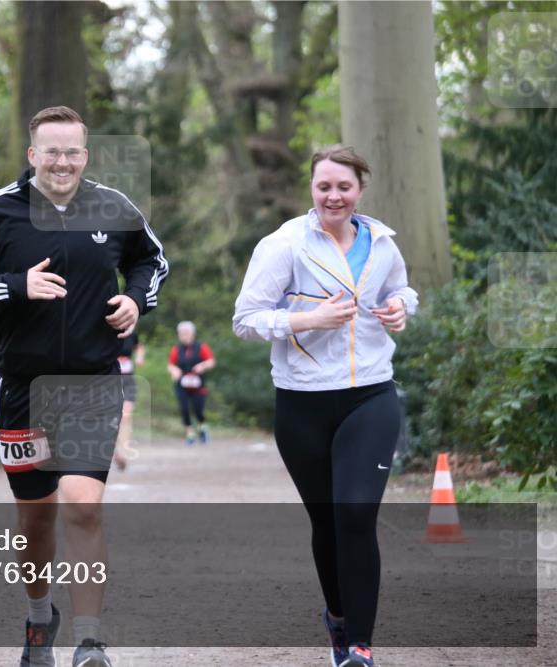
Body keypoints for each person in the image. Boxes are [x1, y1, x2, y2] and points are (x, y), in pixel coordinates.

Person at [0, 106, 168, 667]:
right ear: (32, 154)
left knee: (83, 505)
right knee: (35, 518)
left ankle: (90, 641)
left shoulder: (115, 207)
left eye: (72, 152)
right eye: (52, 151)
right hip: (22, 385)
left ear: (85, 156)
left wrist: (136, 300)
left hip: (92, 382)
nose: (62, 161)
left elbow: (153, 262)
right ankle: (41, 616)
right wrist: (18, 286)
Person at [232, 145, 417, 667]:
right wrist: (307, 321)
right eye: (323, 187)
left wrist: (402, 307)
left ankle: (359, 645)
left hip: (371, 396)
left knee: (355, 514)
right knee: (327, 521)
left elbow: (402, 288)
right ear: (311, 190)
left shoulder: (381, 243)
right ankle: (337, 618)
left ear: (360, 189)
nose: (334, 195)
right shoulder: (284, 245)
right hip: (303, 405)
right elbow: (245, 319)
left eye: (344, 186)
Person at [167, 321, 215, 445]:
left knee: (198, 409)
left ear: (193, 334)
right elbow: (170, 365)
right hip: (182, 384)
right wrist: (174, 370)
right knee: (184, 408)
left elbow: (211, 361)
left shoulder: (201, 347)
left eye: (186, 333)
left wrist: (202, 366)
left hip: (198, 385)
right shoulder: (176, 349)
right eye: (181, 333)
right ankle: (190, 434)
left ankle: (203, 427)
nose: (184, 336)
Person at [113, 331, 145, 470]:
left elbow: (139, 346)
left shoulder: (131, 332)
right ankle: (114, 450)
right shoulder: (102, 329)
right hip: (109, 380)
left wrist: (139, 357)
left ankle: (123, 452)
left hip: (128, 380)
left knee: (126, 415)